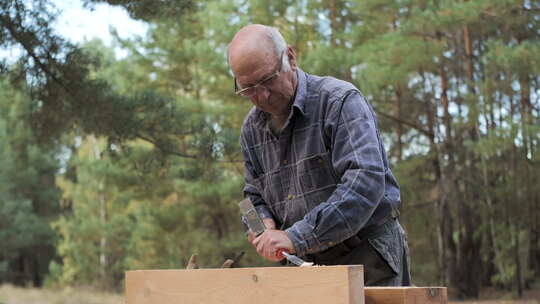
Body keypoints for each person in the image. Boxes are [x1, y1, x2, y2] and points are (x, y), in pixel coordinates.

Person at [229, 24, 411, 286]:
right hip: (303, 266)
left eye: (268, 80)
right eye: (248, 89)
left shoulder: (340, 102)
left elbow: (365, 183)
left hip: (367, 258)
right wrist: (260, 226)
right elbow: (250, 199)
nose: (262, 96)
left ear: (290, 58)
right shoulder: (251, 129)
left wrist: (295, 236)